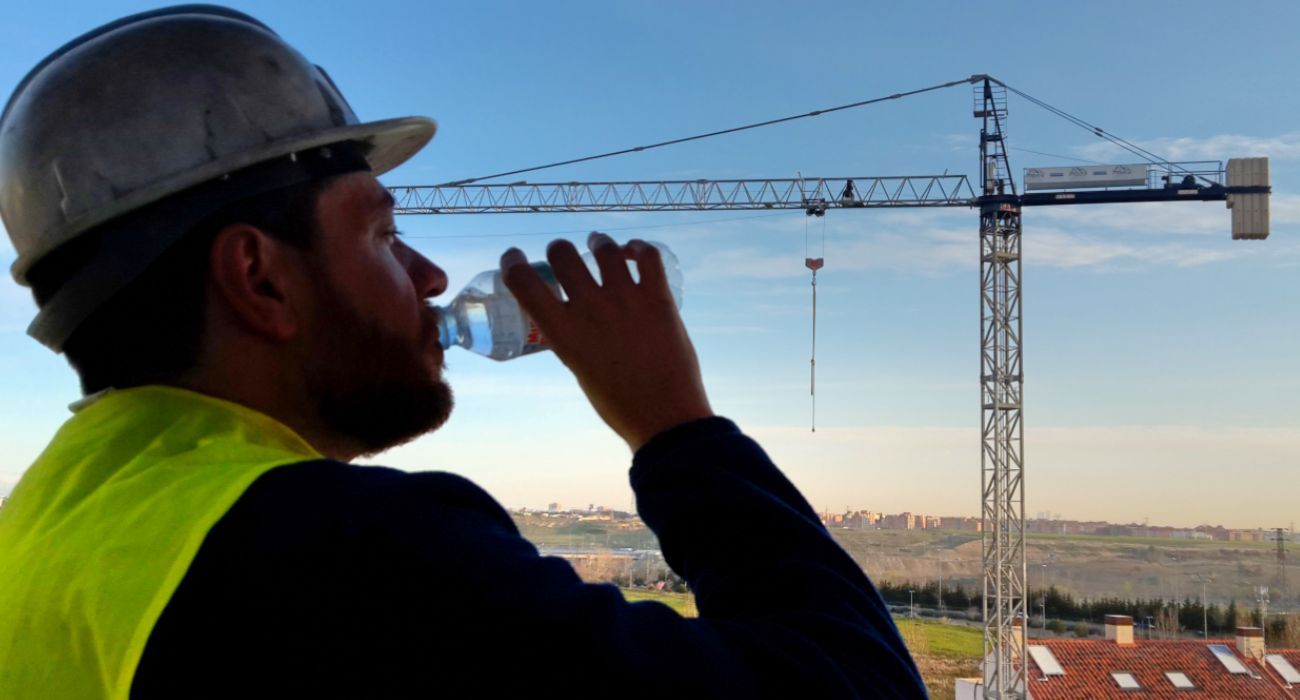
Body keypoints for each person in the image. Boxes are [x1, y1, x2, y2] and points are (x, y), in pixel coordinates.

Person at [0, 6, 925, 699]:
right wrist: (678, 429)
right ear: (261, 279)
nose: (432, 276)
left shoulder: (49, 527)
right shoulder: (350, 558)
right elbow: (857, 686)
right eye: (382, 236)